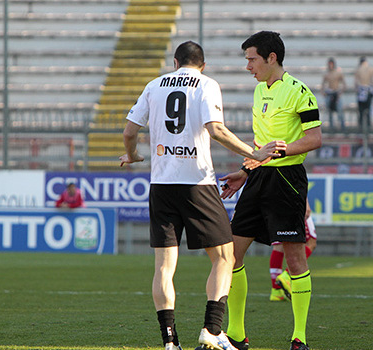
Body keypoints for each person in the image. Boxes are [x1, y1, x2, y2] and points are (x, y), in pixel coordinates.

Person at [119, 40, 285, 350]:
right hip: (197, 182)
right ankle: (212, 329)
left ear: (175, 62)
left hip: (162, 185)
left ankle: (169, 341)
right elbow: (216, 129)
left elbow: (129, 131)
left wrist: (133, 156)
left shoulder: (154, 85)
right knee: (225, 256)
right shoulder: (206, 84)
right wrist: (255, 152)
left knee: (164, 266)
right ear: (203, 65)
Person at [218, 31, 322, 350]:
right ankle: (237, 334)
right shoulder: (258, 91)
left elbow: (314, 138)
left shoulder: (299, 92)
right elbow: (258, 145)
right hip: (258, 178)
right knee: (231, 253)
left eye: (251, 59)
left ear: (271, 58)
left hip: (287, 179)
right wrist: (242, 171)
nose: (248, 66)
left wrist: (283, 151)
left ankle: (299, 338)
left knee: (293, 258)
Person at [270, 199, 317, 302]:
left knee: (280, 243)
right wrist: (305, 203)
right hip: (293, 199)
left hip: (274, 199)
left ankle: (276, 291)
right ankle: (286, 275)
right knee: (311, 242)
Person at [321, 57, 346, 131]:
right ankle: (331, 127)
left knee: (340, 111)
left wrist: (340, 92)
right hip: (329, 93)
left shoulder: (338, 73)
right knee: (330, 112)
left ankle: (342, 127)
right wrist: (323, 92)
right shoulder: (327, 74)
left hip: (336, 93)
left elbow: (344, 84)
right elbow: (323, 84)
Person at [354, 56, 373, 130]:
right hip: (368, 91)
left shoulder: (358, 70)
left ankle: (360, 127)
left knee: (361, 111)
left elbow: (356, 83)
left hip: (361, 91)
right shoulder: (371, 69)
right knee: (368, 110)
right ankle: (369, 126)